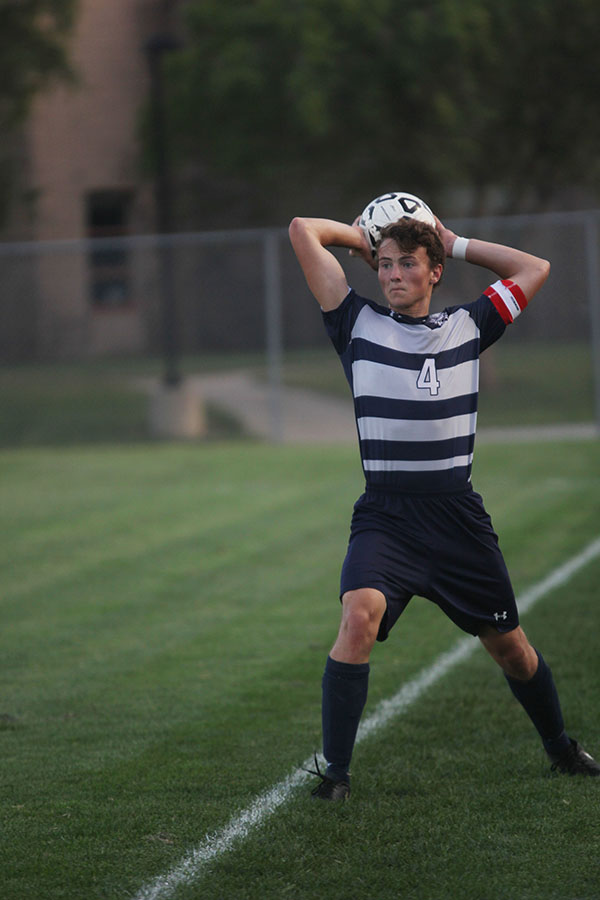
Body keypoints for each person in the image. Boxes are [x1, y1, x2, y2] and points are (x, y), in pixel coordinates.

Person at [288, 209, 600, 800]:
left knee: (513, 651)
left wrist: (454, 243)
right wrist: (366, 239)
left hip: (458, 521)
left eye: (409, 263)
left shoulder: (471, 323)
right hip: (386, 517)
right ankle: (336, 775)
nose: (393, 274)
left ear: (433, 272)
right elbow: (302, 230)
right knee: (358, 617)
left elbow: (535, 268)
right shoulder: (353, 323)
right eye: (385, 265)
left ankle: (560, 746)